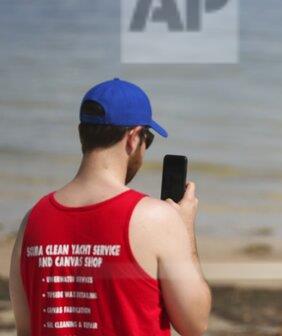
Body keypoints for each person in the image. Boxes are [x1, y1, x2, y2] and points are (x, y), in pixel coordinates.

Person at [9, 78, 211, 336]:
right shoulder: (155, 218)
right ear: (134, 137)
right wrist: (184, 228)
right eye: (147, 140)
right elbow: (195, 324)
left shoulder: (32, 221)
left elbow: (26, 329)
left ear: (82, 133)